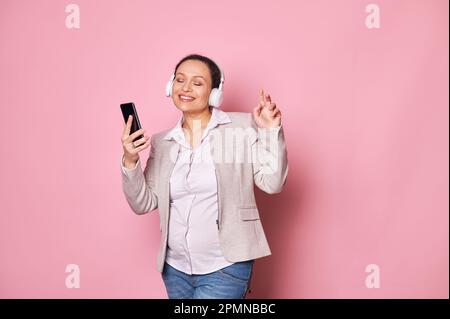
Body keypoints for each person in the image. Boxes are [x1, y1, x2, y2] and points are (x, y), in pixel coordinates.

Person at [120, 53, 288, 299]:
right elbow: (142, 203)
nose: (185, 88)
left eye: (197, 83)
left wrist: (271, 131)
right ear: (170, 86)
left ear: (214, 93)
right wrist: (130, 160)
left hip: (225, 266)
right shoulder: (163, 142)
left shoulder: (241, 128)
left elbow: (272, 183)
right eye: (180, 80)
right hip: (174, 270)